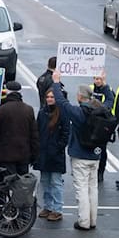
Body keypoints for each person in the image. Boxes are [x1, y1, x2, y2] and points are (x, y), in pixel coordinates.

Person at [50, 73, 102, 231]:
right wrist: (104, 86)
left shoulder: (79, 112)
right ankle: (93, 220)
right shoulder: (100, 110)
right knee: (93, 188)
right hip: (95, 155)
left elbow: (61, 101)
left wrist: (56, 83)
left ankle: (84, 221)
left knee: (81, 190)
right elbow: (111, 100)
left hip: (80, 155)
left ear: (80, 96)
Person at [35, 88, 70, 222]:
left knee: (55, 182)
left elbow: (66, 133)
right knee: (45, 181)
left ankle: (57, 209)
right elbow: (38, 131)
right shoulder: (42, 113)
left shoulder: (62, 113)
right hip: (44, 153)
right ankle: (48, 206)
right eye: (48, 97)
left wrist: (58, 148)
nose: (49, 99)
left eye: (52, 97)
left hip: (55, 154)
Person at [0, 80, 39, 175]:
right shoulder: (28, 110)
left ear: (7, 92)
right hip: (23, 154)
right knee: (21, 185)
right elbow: (34, 135)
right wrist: (34, 155)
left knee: (4, 185)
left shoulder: (2, 110)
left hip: (5, 155)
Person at [90, 73, 115, 183]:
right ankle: (92, 171)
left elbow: (109, 103)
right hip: (92, 122)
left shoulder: (107, 89)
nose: (97, 81)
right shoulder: (90, 88)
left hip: (103, 123)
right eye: (95, 78)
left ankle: (100, 172)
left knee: (102, 149)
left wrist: (98, 110)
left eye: (99, 78)